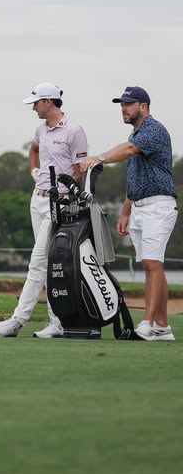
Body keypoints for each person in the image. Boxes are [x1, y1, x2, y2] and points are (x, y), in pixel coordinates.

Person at [0, 82, 88, 339]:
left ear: (49, 102)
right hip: (38, 200)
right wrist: (35, 173)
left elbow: (80, 170)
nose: (33, 107)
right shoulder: (40, 130)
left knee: (37, 262)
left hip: (60, 202)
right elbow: (33, 150)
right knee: (46, 263)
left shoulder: (74, 130)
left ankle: (17, 320)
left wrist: (72, 200)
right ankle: (56, 322)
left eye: (36, 102)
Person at [80, 86, 178, 342]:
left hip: (159, 205)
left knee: (152, 264)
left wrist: (97, 158)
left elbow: (128, 150)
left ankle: (146, 323)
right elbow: (135, 180)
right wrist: (125, 212)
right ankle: (162, 326)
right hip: (140, 207)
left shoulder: (152, 130)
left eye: (128, 103)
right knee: (152, 266)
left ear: (143, 106)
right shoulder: (136, 133)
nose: (123, 108)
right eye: (121, 104)